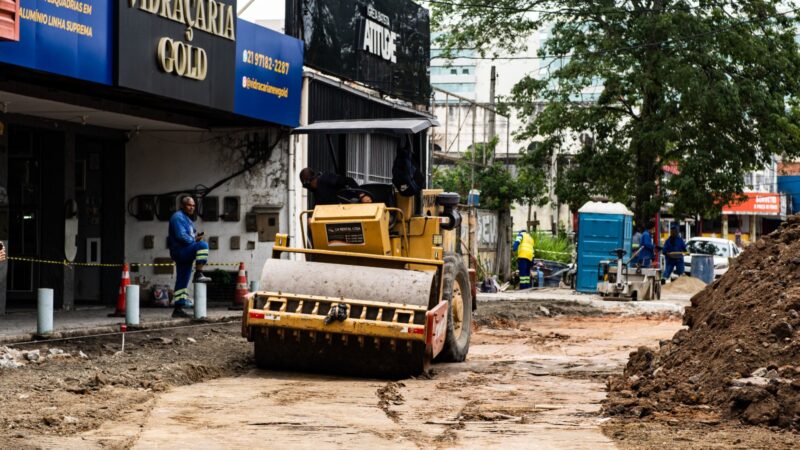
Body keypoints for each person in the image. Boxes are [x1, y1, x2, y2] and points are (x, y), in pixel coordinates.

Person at [168, 196, 210, 318]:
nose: (192, 208)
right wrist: (194, 241)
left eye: (193, 205)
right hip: (180, 250)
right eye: (189, 205)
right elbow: (181, 236)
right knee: (203, 245)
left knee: (183, 279)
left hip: (184, 251)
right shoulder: (178, 217)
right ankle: (199, 273)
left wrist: (195, 237)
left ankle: (178, 308)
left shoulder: (187, 219)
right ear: (182, 206)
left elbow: (189, 236)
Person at [299, 168, 373, 205]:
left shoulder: (327, 178)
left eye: (307, 186)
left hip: (347, 207)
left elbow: (349, 180)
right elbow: (318, 206)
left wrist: (362, 195)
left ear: (311, 181)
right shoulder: (317, 192)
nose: (308, 189)